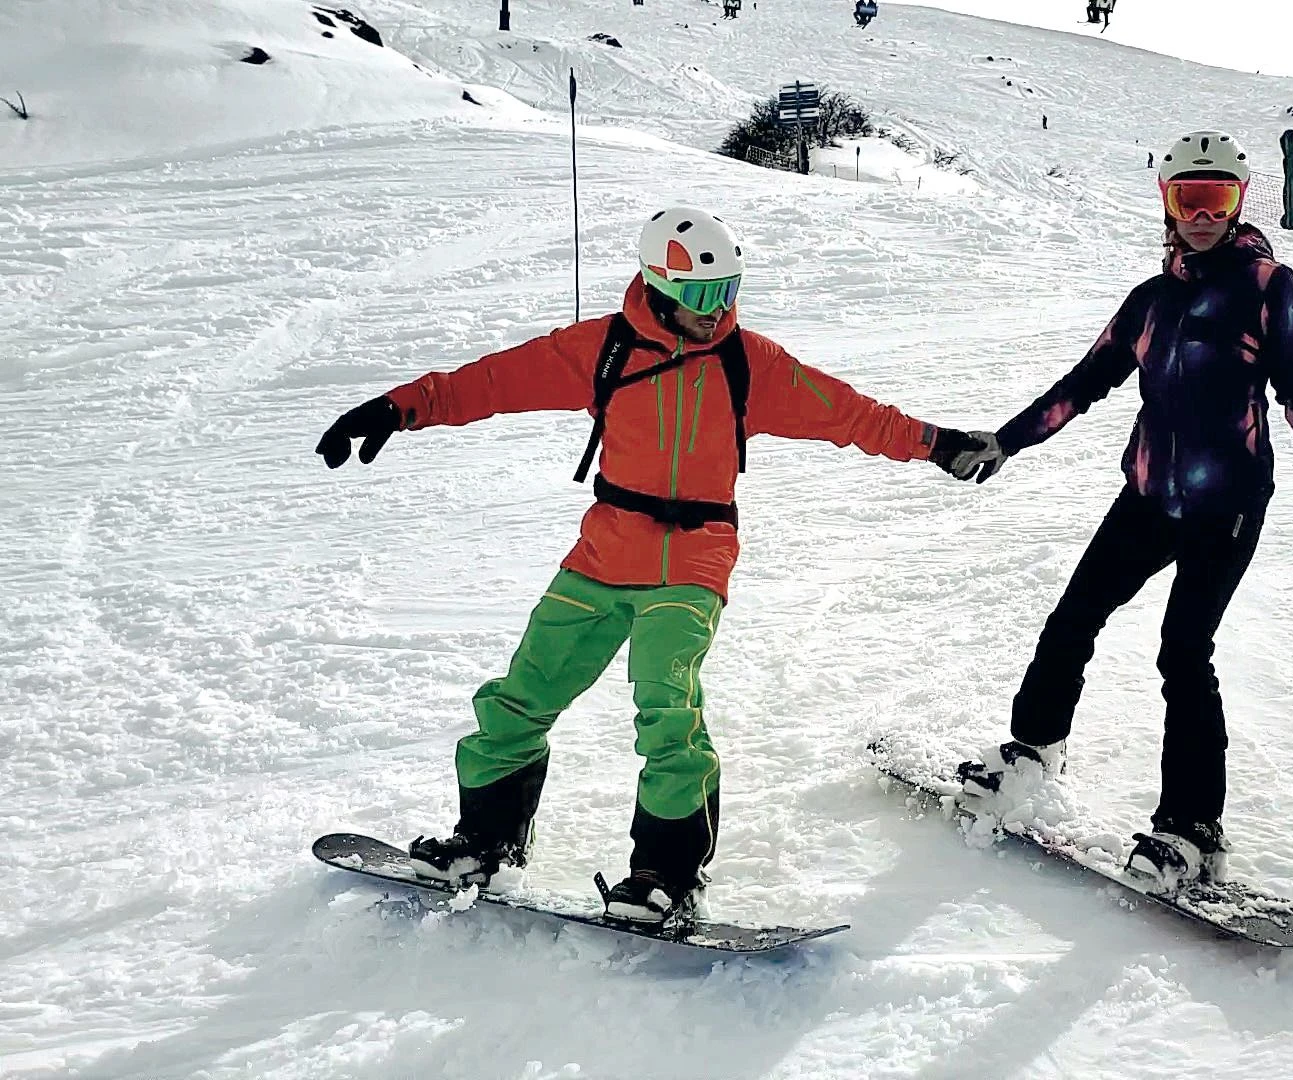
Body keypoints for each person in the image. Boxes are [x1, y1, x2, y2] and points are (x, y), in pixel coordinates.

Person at [314, 207, 988, 923]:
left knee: (668, 707)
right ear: (659, 286)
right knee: (520, 696)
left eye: (728, 291)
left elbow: (850, 413)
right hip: (605, 550)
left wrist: (936, 442)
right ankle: (486, 842)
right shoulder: (602, 350)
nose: (716, 310)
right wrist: (395, 409)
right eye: (701, 294)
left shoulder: (748, 363)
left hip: (695, 557)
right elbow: (489, 383)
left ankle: (668, 875)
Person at [941, 131, 1293, 892]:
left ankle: (1192, 829)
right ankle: (1034, 752)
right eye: (1187, 199)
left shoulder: (1266, 286)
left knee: (1183, 651)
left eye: (1217, 199)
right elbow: (1084, 383)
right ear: (1168, 204)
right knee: (1072, 619)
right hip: (1146, 495)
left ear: (1238, 202)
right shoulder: (1151, 299)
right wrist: (1006, 441)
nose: (1202, 215)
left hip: (1227, 504)